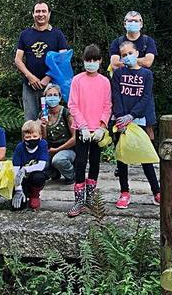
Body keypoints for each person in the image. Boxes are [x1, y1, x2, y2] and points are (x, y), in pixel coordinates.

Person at [112, 41, 161, 208]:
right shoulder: (118, 74)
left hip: (139, 120)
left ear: (137, 52)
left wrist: (131, 115)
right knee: (122, 157)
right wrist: (121, 118)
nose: (127, 57)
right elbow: (116, 96)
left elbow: (146, 97)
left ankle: (156, 191)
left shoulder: (147, 74)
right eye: (123, 55)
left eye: (130, 53)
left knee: (145, 156)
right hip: (121, 122)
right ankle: (124, 191)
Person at [66, 44, 112, 217]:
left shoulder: (105, 82)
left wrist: (102, 126)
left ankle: (91, 199)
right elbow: (73, 105)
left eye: (94, 60)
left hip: (97, 130)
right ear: (84, 61)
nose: (91, 63)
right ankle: (78, 200)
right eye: (88, 60)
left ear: (100, 61)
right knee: (80, 162)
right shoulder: (77, 80)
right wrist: (83, 126)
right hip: (82, 129)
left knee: (95, 162)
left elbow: (107, 105)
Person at [15, 2, 69, 121]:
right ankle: (31, 140)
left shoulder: (57, 34)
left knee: (51, 120)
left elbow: (63, 59)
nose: (41, 14)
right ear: (33, 14)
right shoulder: (25, 34)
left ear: (49, 14)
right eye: (38, 11)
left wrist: (48, 77)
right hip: (30, 86)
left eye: (44, 11)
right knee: (31, 120)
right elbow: (18, 59)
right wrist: (30, 77)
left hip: (52, 86)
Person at [41, 84, 76, 184]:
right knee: (39, 163)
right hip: (50, 149)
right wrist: (43, 127)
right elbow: (43, 140)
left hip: (67, 149)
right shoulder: (43, 114)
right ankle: (54, 173)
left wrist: (57, 150)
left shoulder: (66, 113)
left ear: (60, 97)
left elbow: (75, 138)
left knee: (58, 160)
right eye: (49, 95)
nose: (52, 97)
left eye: (55, 95)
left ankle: (72, 175)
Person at [11, 120, 50, 210]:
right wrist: (18, 189)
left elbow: (41, 165)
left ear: (40, 136)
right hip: (21, 179)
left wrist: (25, 169)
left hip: (34, 176)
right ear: (23, 137)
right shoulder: (19, 148)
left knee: (38, 177)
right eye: (28, 137)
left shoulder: (43, 144)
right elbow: (15, 169)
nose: (32, 139)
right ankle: (24, 191)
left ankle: (35, 195)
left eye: (34, 136)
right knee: (17, 207)